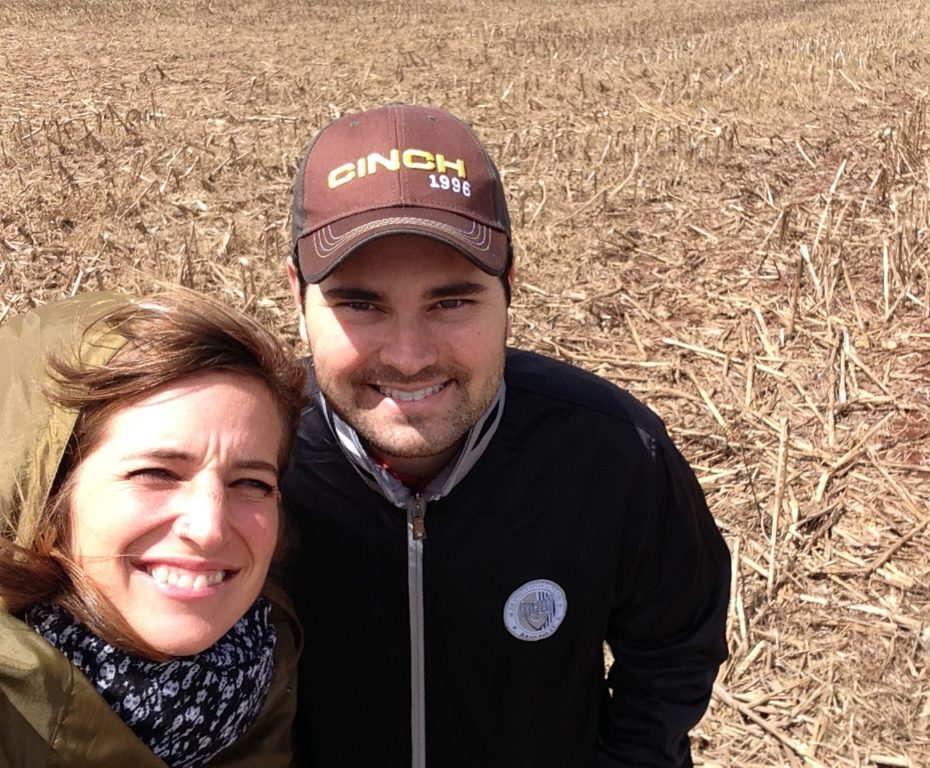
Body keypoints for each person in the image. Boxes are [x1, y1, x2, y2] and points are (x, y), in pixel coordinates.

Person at [283, 103, 731, 767]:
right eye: (360, 304)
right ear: (297, 299)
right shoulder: (249, 463)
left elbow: (676, 644)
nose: (409, 357)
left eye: (451, 301)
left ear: (510, 289)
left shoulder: (611, 451)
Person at [0, 289, 307, 767]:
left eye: (251, 482)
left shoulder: (262, 670)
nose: (208, 528)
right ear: (51, 496)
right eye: (156, 473)